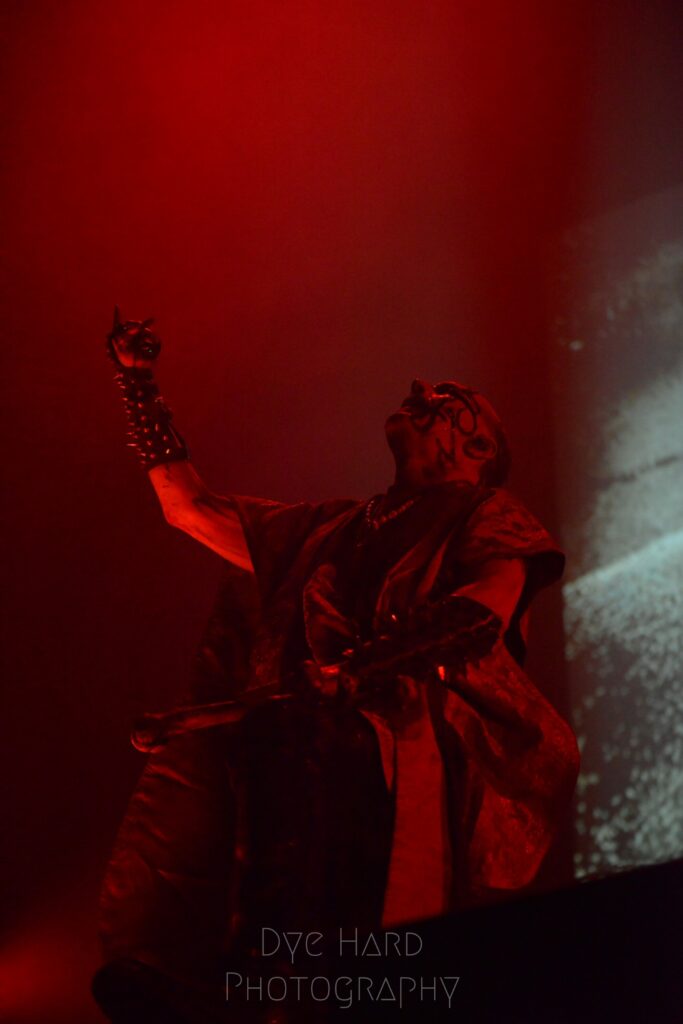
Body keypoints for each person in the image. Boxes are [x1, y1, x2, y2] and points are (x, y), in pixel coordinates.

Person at [93, 310, 579, 1022]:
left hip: (403, 743)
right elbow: (190, 509)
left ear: (475, 444)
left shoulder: (487, 511)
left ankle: (278, 978)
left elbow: (484, 611)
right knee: (254, 769)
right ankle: (239, 976)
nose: (420, 387)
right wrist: (138, 384)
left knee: (307, 768)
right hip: (300, 727)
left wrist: (357, 671)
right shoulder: (331, 527)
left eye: (448, 398)